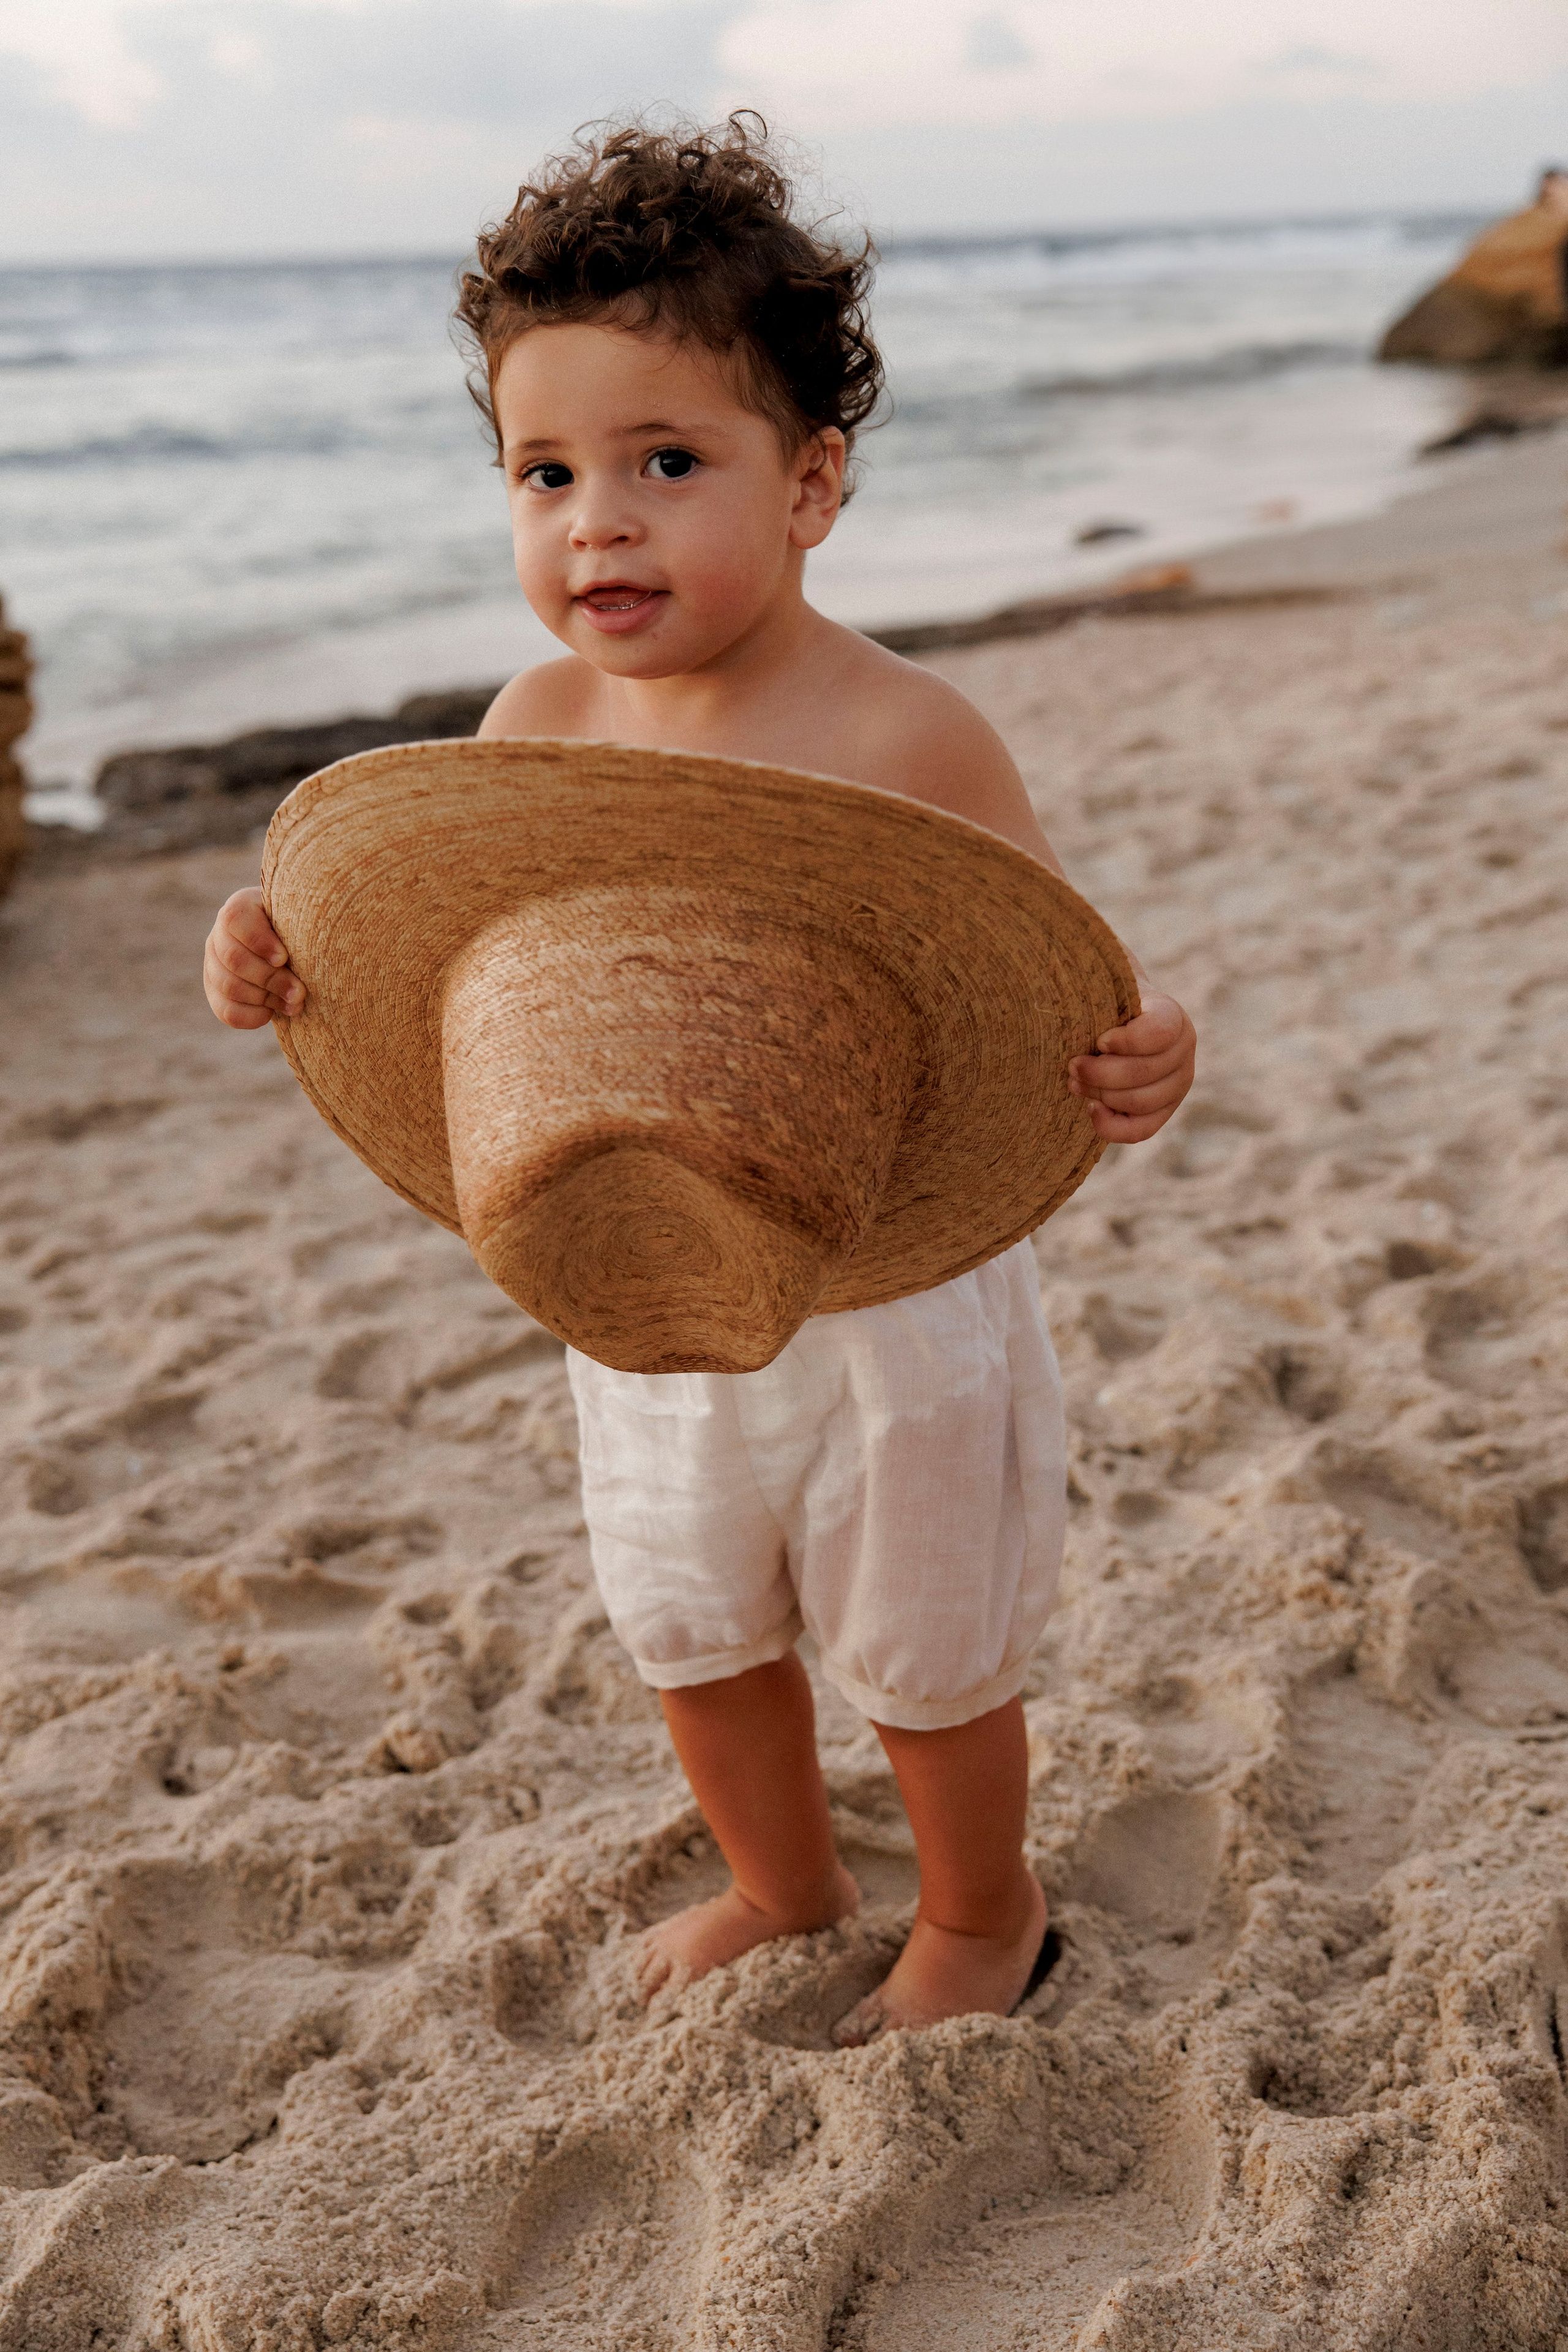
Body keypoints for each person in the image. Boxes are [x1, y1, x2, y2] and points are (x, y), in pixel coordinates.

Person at [202, 118, 1196, 2044]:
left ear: (811, 483)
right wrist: (269, 954)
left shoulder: (905, 732)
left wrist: (1154, 1042)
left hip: (891, 1291)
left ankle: (983, 1912)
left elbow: (1049, 977)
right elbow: (449, 984)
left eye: (667, 463)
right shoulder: (535, 727)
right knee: (692, 1611)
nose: (599, 523)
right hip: (640, 1256)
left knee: (924, 1637)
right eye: (547, 473)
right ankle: (782, 1879)